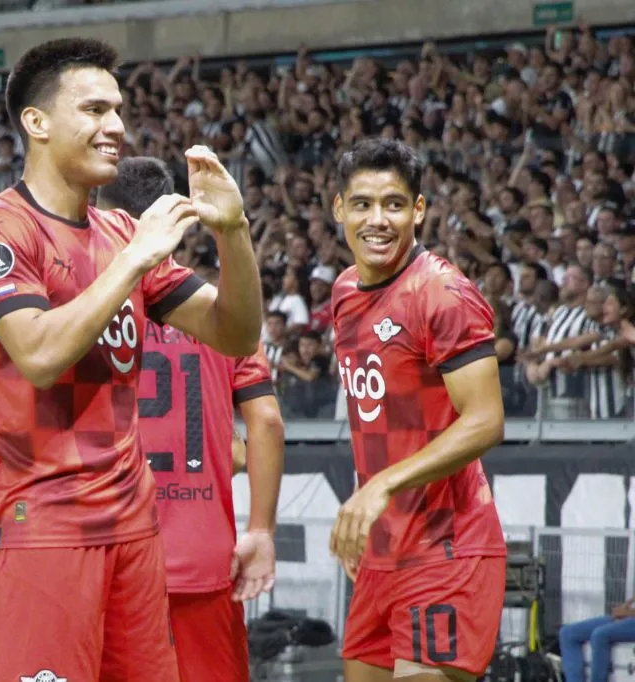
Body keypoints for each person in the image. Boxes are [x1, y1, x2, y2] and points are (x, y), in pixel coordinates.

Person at [0, 37, 262, 682]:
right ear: (36, 123)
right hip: (39, 523)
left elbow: (234, 332)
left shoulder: (121, 233)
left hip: (131, 524)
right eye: (93, 110)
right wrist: (134, 261)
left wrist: (233, 234)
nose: (115, 126)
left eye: (117, 110)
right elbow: (38, 354)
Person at [96, 156, 285, 682]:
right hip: (204, 555)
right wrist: (261, 530)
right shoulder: (226, 312)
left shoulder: (81, 306)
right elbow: (266, 420)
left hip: (110, 549)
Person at [328, 138, 507, 682]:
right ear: (339, 209)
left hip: (445, 549)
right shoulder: (342, 291)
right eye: (362, 203)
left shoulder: (443, 293)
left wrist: (382, 486)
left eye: (394, 204)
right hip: (380, 556)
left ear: (419, 209)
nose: (377, 219)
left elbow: (486, 419)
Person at [558, 598, 635, 682]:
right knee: (567, 633)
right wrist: (625, 606)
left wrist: (628, 613)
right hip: (627, 616)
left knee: (599, 635)